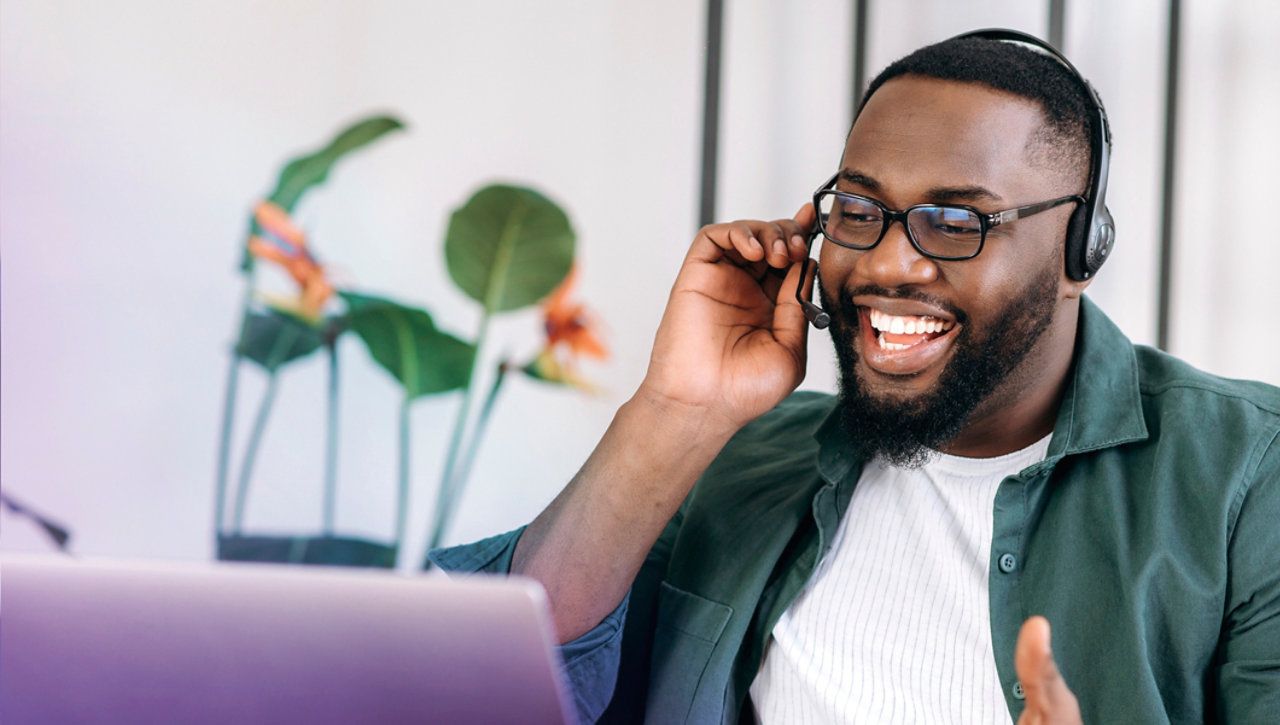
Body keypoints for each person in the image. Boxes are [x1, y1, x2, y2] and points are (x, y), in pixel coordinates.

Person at [434, 31, 1280, 724]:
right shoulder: (743, 455)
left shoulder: (1249, 475)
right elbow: (474, 691)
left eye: (956, 221)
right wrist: (677, 410)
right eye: (862, 210)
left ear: (1078, 254)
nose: (889, 261)